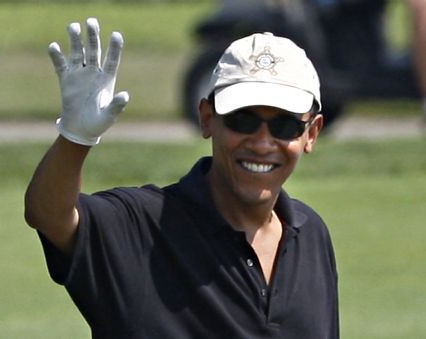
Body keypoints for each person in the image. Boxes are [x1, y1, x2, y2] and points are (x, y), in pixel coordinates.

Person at [24, 17, 339, 338]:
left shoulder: (310, 235)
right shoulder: (140, 226)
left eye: (284, 126)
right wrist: (75, 138)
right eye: (242, 121)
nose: (261, 143)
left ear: (311, 134)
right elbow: (48, 215)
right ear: (206, 119)